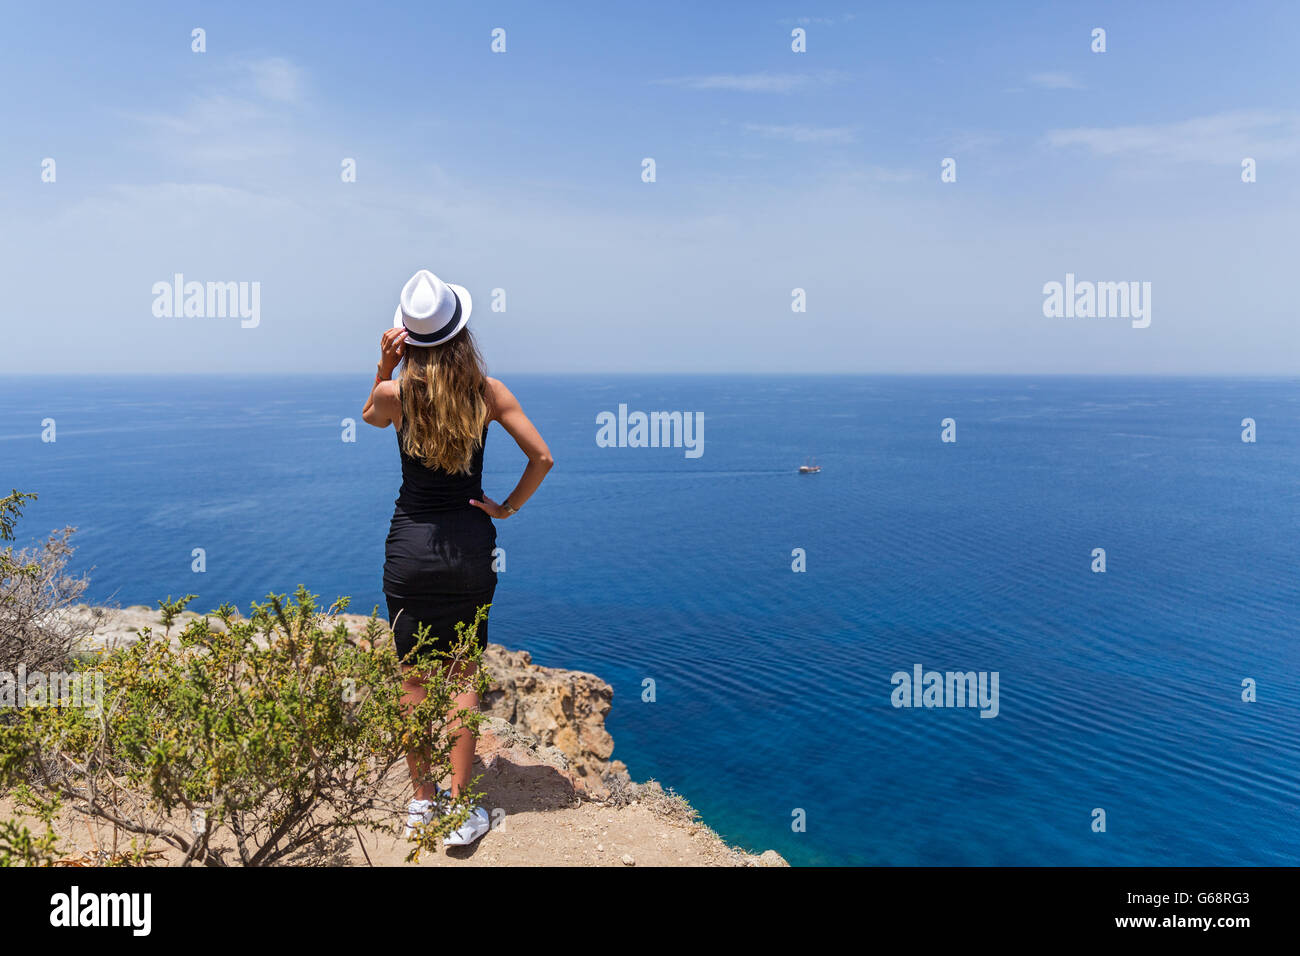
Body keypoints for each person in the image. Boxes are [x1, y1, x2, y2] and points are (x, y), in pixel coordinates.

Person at [362, 269, 553, 847]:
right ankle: (464, 808)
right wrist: (505, 509)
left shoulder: (397, 393)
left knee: (413, 678)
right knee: (463, 674)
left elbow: (370, 416)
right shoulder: (488, 393)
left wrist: (383, 369)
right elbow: (541, 457)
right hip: (471, 548)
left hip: (409, 548)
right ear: (461, 331)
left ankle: (423, 804)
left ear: (409, 338)